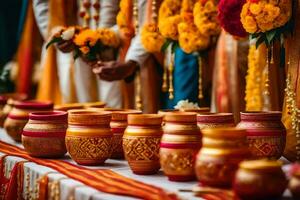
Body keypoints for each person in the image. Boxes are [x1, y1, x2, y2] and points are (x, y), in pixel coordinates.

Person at [33, 0, 122, 107]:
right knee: (73, 108)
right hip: (68, 46)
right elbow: (42, 4)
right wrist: (56, 32)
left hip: (118, 44)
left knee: (115, 110)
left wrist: (104, 37)